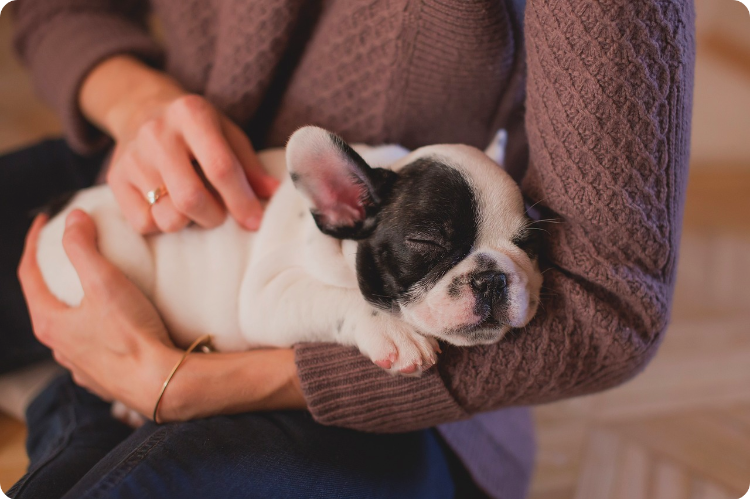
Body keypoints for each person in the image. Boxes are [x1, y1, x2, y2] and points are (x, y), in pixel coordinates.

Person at [0, 0, 695, 497]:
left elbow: (611, 303)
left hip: (394, 408)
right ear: (341, 205)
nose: (488, 279)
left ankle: (71, 403)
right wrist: (136, 102)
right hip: (152, 190)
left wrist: (184, 386)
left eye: (520, 247)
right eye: (433, 249)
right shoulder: (355, 200)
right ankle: (76, 398)